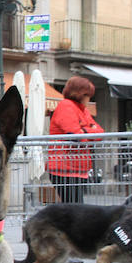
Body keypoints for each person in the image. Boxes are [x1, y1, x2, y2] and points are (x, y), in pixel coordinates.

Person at [47, 75, 104, 204]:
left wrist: (84, 131)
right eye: (87, 95)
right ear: (80, 94)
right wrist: (88, 131)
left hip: (76, 168)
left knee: (74, 207)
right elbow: (75, 135)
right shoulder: (66, 106)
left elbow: (100, 133)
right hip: (64, 168)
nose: (89, 99)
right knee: (74, 208)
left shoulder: (82, 109)